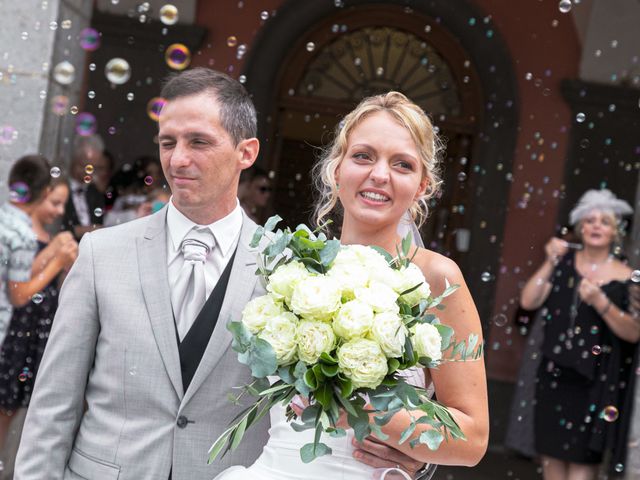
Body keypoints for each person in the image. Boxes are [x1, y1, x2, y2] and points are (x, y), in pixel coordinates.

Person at [14, 69, 417, 480]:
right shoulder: (102, 253)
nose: (177, 159)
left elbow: (332, 405)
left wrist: (408, 460)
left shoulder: (293, 270)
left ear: (247, 152)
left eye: (199, 142)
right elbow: (54, 403)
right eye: (168, 142)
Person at [214, 92, 489, 480]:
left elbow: (473, 439)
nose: (380, 174)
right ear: (336, 169)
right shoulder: (292, 271)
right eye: (363, 156)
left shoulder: (437, 280)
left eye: (402, 164)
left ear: (423, 186)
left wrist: (369, 416)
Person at [519, 189, 640, 480]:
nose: (597, 225)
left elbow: (634, 332)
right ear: (580, 227)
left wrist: (601, 302)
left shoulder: (625, 276)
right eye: (590, 220)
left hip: (595, 386)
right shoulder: (562, 266)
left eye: (605, 221)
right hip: (554, 378)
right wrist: (549, 261)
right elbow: (528, 301)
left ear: (615, 232)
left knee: (583, 470)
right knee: (551, 466)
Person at [0, 177, 78, 449]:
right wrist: (57, 261)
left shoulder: (46, 235)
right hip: (14, 331)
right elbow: (19, 288)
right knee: (4, 408)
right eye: (55, 203)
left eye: (63, 205)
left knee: (21, 407)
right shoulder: (18, 235)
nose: (59, 211)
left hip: (36, 331)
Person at [0, 155, 58, 348]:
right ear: (46, 192)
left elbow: (13, 274)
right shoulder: (23, 236)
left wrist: (50, 251)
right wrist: (57, 263)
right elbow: (18, 294)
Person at [61, 134, 109, 240]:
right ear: (75, 162)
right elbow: (55, 226)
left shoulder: (95, 192)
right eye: (88, 167)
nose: (93, 173)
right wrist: (80, 231)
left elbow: (98, 223)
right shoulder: (60, 188)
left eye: (96, 168)